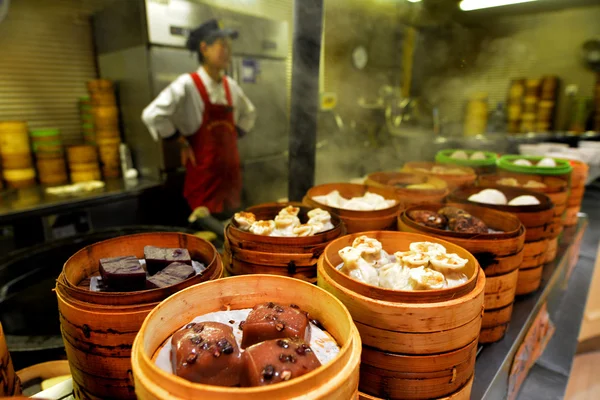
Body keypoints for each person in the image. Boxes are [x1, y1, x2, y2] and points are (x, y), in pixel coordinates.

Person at [142, 19, 256, 219]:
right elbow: (153, 115)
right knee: (205, 233)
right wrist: (180, 140)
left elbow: (250, 113)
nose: (228, 52)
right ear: (204, 48)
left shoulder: (230, 85)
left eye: (229, 46)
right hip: (204, 181)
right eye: (222, 45)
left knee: (230, 230)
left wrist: (232, 135)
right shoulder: (187, 84)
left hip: (231, 179)